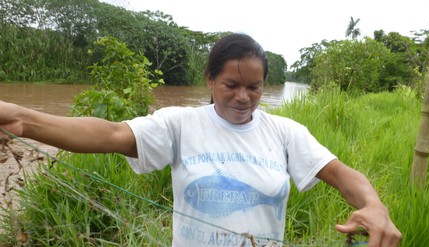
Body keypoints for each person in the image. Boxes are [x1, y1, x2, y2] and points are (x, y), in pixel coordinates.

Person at [0, 33, 402, 246]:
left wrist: (374, 205)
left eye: (255, 87)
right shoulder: (179, 123)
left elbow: (343, 175)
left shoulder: (285, 132)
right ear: (209, 80)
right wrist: (22, 119)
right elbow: (111, 133)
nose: (243, 97)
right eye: (230, 84)